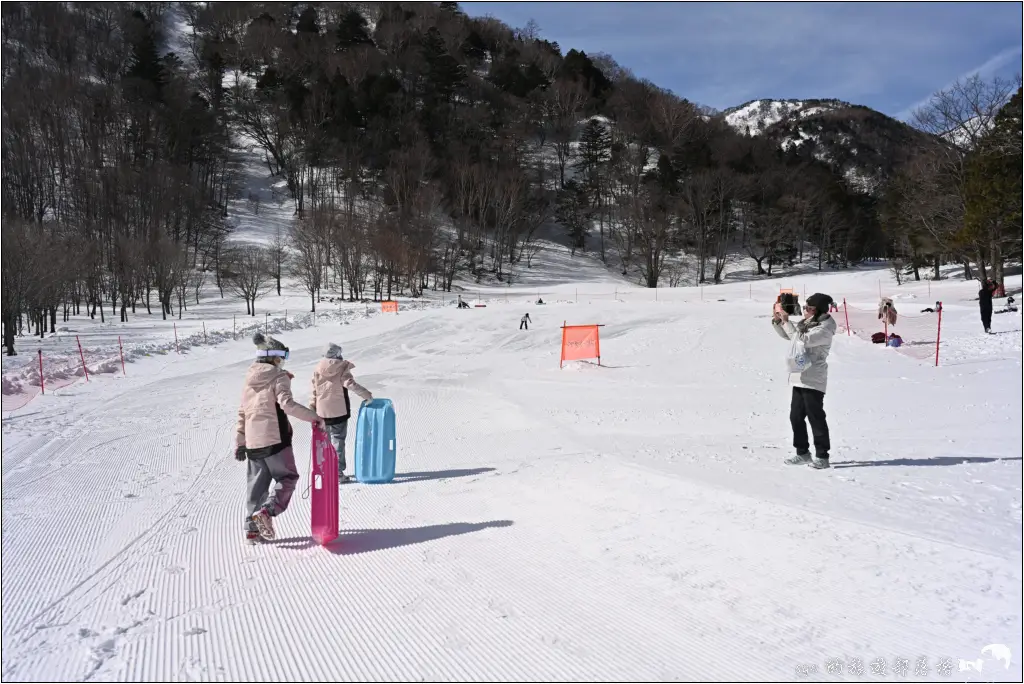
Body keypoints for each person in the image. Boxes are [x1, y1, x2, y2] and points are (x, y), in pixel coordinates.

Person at [236, 333, 324, 543]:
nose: (282, 362)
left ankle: (252, 531)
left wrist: (240, 442)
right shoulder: (278, 376)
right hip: (275, 440)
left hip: (253, 443)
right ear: (272, 357)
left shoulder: (249, 378)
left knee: (257, 486)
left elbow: (243, 412)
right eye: (281, 358)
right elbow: (287, 405)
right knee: (287, 478)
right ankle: (267, 512)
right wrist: (315, 418)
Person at [772, 292, 837, 469]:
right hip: (799, 375)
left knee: (815, 417)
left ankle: (822, 456)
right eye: (805, 307)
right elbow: (791, 336)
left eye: (810, 308)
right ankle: (802, 453)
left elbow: (801, 340)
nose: (805, 310)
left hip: (813, 378)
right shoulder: (808, 323)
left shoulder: (825, 328)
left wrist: (787, 322)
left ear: (820, 310)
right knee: (796, 416)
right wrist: (779, 321)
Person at [309, 343, 374, 484]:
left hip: (322, 412)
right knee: (338, 440)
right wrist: (367, 395)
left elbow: (315, 390)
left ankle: (325, 470)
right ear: (336, 354)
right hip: (339, 411)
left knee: (324, 442)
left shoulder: (318, 368)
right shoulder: (341, 367)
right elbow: (350, 384)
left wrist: (312, 407)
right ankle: (337, 472)